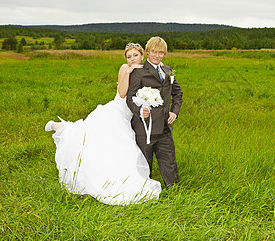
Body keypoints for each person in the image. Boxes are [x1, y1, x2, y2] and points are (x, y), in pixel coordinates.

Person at [45, 43, 161, 205]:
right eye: (129, 56)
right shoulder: (124, 69)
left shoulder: (147, 70)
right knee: (94, 138)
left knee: (106, 142)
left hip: (129, 116)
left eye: (135, 55)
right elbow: (122, 93)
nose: (132, 59)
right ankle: (61, 128)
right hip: (115, 112)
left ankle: (63, 127)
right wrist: (128, 72)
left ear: (142, 55)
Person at [126, 37, 183, 188]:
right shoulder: (139, 72)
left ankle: (174, 192)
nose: (157, 56)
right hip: (144, 127)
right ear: (147, 52)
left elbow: (177, 93)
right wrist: (139, 111)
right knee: (144, 164)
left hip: (164, 127)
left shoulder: (168, 70)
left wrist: (174, 112)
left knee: (169, 161)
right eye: (153, 52)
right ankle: (143, 193)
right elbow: (130, 98)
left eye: (161, 53)